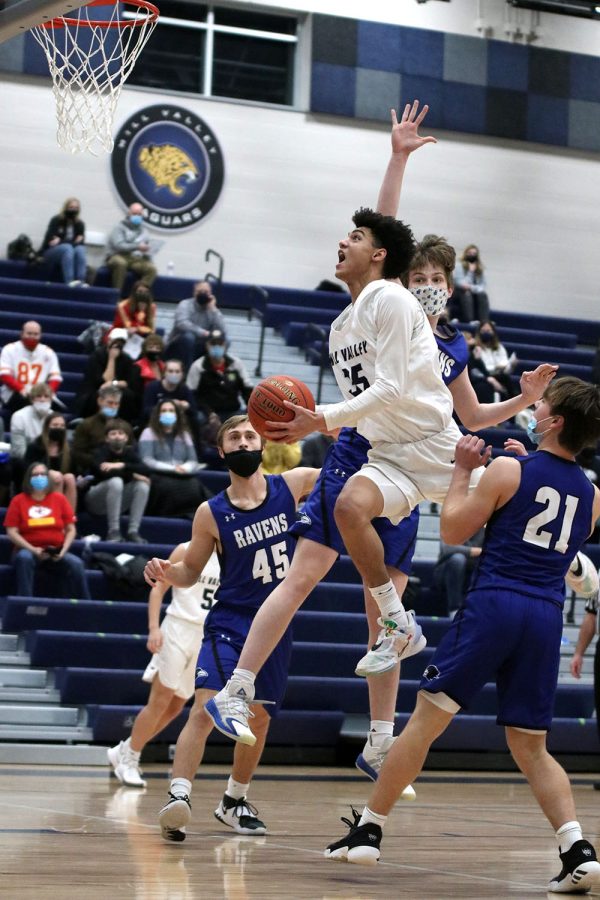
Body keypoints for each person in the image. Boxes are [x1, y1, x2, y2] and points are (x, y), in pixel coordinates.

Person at [204, 103, 557, 759]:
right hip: (383, 450)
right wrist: (395, 158)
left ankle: (579, 575)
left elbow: (457, 407)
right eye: (415, 275)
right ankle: (391, 631)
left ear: (446, 290)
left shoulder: (406, 312)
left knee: (525, 497)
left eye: (433, 280)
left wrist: (324, 418)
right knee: (346, 513)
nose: (422, 286)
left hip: (434, 446)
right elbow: (378, 232)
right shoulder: (353, 318)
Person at [323, 377, 600, 896]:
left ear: (555, 420)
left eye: (542, 403)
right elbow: (546, 515)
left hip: (494, 605)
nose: (534, 406)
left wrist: (464, 472)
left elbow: (451, 531)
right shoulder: (593, 494)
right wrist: (513, 472)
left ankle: (369, 831)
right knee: (531, 747)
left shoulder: (506, 468)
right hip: (544, 618)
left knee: (425, 723)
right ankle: (577, 849)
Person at [143, 415, 318, 841]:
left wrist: (330, 426)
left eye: (249, 435)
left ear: (262, 445)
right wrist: (169, 572)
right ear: (221, 452)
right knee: (207, 707)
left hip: (276, 624)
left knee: (257, 720)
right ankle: (179, 797)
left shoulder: (292, 485)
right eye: (233, 438)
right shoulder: (210, 512)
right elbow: (190, 573)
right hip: (232, 621)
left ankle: (234, 801)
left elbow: (346, 476)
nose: (243, 442)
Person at [108, 541, 220, 787]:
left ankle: (126, 748)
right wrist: (153, 628)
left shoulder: (232, 554)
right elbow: (158, 590)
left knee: (176, 705)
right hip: (177, 628)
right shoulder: (186, 549)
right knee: (160, 699)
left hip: (206, 635)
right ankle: (130, 759)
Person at [4, 462, 90, 598]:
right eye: (35, 475)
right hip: (27, 550)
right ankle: (25, 603)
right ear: (28, 479)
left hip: (54, 551)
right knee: (24, 558)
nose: (39, 477)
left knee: (77, 564)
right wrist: (33, 549)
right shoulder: (18, 501)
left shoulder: (59, 499)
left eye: (43, 474)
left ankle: (86, 608)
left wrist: (63, 550)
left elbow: (71, 529)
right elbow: (11, 532)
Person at [139, 400, 209, 518]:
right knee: (169, 487)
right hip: (159, 474)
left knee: (194, 486)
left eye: (171, 411)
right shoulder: (148, 433)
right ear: (158, 414)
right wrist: (172, 468)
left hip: (183, 473)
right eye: (164, 410)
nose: (168, 413)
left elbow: (193, 460)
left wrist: (184, 468)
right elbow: (147, 460)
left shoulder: (184, 434)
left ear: (177, 414)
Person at [84, 419, 150, 543]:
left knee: (143, 485)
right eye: (113, 434)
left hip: (119, 501)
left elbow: (146, 470)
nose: (117, 437)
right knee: (116, 481)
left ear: (126, 438)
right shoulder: (100, 452)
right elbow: (103, 472)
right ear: (107, 438)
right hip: (96, 500)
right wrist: (133, 474)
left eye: (120, 433)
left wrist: (122, 465)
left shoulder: (129, 453)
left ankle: (133, 531)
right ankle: (113, 531)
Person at [186, 330, 254, 430]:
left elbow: (247, 390)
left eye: (220, 344)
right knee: (196, 418)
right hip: (207, 412)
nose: (216, 347)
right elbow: (192, 395)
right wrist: (209, 413)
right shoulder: (198, 366)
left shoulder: (236, 364)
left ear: (225, 345)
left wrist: (251, 411)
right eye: (213, 344)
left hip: (232, 411)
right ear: (207, 345)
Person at [74, 328, 142, 422]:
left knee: (128, 395)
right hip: (95, 388)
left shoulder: (126, 359)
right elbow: (104, 380)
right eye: (115, 341)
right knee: (98, 395)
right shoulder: (97, 356)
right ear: (109, 340)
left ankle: (124, 422)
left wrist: (114, 383)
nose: (118, 345)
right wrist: (112, 359)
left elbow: (126, 382)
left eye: (121, 342)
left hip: (116, 389)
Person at [0, 321, 62, 415]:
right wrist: (21, 389)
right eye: (29, 333)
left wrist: (48, 392)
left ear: (40, 335)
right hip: (14, 392)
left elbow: (56, 377)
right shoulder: (9, 349)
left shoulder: (48, 352)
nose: (32, 337)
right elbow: (4, 375)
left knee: (58, 410)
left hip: (40, 393)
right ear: (21, 334)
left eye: (36, 334)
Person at [72, 385, 134, 476]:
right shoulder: (86, 425)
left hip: (121, 470)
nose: (113, 406)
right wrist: (100, 461)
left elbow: (131, 449)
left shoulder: (125, 426)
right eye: (110, 403)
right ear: (100, 401)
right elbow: (77, 453)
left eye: (116, 403)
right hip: (93, 471)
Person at [165, 281, 227, 370]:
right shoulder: (185, 304)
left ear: (211, 294)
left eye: (206, 292)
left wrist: (213, 309)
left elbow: (223, 330)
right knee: (189, 337)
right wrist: (203, 332)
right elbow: (181, 323)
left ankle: (216, 370)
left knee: (226, 340)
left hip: (202, 346)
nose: (203, 294)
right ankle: (188, 371)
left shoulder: (212, 309)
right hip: (179, 345)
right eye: (200, 291)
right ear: (194, 293)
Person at [24, 411, 77, 511]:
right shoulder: (35, 446)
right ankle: (56, 517)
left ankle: (70, 519)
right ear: (47, 427)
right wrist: (47, 472)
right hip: (38, 482)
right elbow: (28, 469)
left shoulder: (69, 448)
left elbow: (75, 471)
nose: (59, 428)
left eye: (62, 426)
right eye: (55, 425)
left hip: (63, 483)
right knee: (56, 477)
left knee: (70, 477)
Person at [105, 202, 158, 293]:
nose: (137, 216)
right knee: (121, 263)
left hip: (135, 259)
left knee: (151, 269)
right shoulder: (119, 227)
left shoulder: (144, 231)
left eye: (139, 214)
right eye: (135, 214)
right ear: (129, 214)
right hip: (117, 255)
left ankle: (138, 295)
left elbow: (145, 247)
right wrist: (137, 246)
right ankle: (116, 295)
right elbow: (119, 246)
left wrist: (148, 252)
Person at [432, 527, 485, 616]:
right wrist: (478, 551)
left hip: (471, 572)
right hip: (446, 573)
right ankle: (454, 610)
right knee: (458, 559)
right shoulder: (453, 521)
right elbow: (448, 549)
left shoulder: (486, 527)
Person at [40, 197, 87, 286]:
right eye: (71, 207)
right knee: (67, 247)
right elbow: (49, 240)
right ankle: (69, 281)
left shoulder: (80, 224)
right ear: (66, 207)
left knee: (80, 249)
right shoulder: (56, 220)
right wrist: (71, 242)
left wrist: (61, 240)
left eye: (76, 208)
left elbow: (81, 243)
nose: (73, 210)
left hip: (69, 251)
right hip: (51, 252)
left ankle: (81, 281)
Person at [142, 358, 197, 424]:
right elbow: (146, 410)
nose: (174, 374)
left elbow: (194, 411)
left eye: (177, 371)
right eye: (170, 371)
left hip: (178, 423)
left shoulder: (184, 389)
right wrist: (166, 407)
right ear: (164, 373)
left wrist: (186, 406)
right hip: (155, 422)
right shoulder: (152, 387)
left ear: (182, 374)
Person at [9, 383, 54, 463]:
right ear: (32, 399)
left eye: (46, 396)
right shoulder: (19, 416)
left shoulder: (54, 417)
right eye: (39, 396)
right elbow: (19, 451)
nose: (42, 400)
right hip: (24, 462)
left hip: (49, 461)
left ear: (51, 399)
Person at [111, 282, 157, 359]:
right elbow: (126, 326)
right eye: (140, 292)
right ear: (134, 292)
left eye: (146, 292)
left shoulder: (152, 306)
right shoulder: (122, 305)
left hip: (141, 335)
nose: (142, 294)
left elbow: (152, 329)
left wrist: (139, 328)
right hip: (124, 333)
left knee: (154, 341)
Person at [475, 321, 517, 398]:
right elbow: (479, 367)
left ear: (493, 332)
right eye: (483, 331)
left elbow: (505, 365)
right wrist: (495, 367)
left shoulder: (499, 347)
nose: (486, 333)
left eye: (488, 331)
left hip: (499, 374)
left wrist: (511, 365)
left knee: (505, 378)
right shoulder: (476, 348)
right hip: (484, 375)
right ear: (479, 332)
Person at [452, 243, 490, 323]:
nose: (472, 255)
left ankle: (484, 321)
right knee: (467, 294)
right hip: (460, 291)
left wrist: (472, 288)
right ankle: (469, 320)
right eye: (470, 253)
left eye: (474, 254)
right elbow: (458, 281)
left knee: (483, 295)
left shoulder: (479, 268)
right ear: (466, 253)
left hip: (473, 291)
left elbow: (482, 285)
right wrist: (470, 272)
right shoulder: (459, 265)